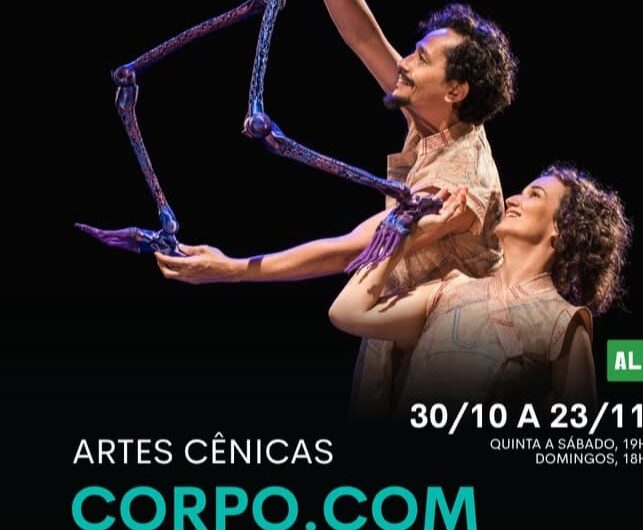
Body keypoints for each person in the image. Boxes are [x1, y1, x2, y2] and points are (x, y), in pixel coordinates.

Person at [155, 2, 518, 419]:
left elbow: (355, 248)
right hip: (402, 339)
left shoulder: (459, 181)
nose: (404, 63)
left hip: (446, 368)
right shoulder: (436, 117)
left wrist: (232, 269)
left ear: (455, 90)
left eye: (421, 59)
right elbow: (363, 37)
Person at [329, 165, 632, 416]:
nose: (512, 200)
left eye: (534, 195)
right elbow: (347, 312)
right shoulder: (451, 290)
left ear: (562, 228)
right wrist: (403, 232)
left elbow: (577, 439)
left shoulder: (562, 323)